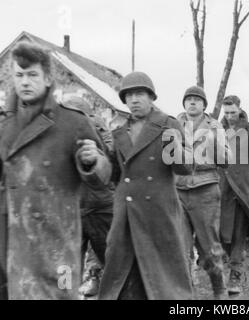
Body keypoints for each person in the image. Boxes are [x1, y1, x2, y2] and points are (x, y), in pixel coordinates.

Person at [0, 42, 111, 299]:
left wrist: (91, 161)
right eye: (19, 75)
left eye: (32, 75)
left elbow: (104, 176)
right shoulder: (6, 128)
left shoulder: (73, 122)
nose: (25, 82)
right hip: (18, 244)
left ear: (48, 78)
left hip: (57, 243)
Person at [98, 72, 193, 300]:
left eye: (139, 94)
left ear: (151, 97)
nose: (134, 100)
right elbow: (113, 174)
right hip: (126, 213)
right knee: (121, 271)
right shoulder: (119, 131)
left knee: (165, 275)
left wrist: (176, 149)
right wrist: (95, 162)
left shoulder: (167, 125)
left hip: (158, 211)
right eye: (129, 95)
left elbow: (185, 167)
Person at [175, 86, 230, 299]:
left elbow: (226, 160)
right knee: (180, 246)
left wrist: (213, 142)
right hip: (178, 190)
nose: (192, 103)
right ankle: (187, 293)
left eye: (197, 99)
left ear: (204, 105)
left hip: (206, 190)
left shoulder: (214, 126)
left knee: (209, 246)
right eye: (188, 99)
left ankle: (219, 287)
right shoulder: (174, 125)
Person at [63, 96, 114, 298]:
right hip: (73, 208)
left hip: (100, 207)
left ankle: (108, 289)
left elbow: (110, 157)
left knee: (111, 259)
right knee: (66, 263)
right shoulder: (59, 133)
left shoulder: (99, 131)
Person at [219, 95, 249, 295]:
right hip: (222, 190)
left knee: (238, 233)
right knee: (222, 233)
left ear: (240, 110)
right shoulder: (217, 130)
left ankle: (235, 273)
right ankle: (232, 262)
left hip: (242, 189)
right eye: (226, 113)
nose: (229, 116)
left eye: (233, 112)